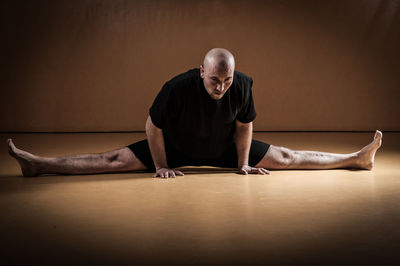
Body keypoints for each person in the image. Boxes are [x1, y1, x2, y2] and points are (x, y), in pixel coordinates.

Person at [7, 48, 382, 178]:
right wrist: (160, 166)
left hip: (222, 148)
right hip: (177, 148)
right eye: (215, 79)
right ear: (202, 71)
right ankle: (39, 164)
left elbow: (245, 125)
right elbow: (152, 127)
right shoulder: (176, 88)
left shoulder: (243, 84)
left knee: (286, 156)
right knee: (113, 159)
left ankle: (356, 159)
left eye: (227, 80)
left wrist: (242, 165)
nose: (221, 87)